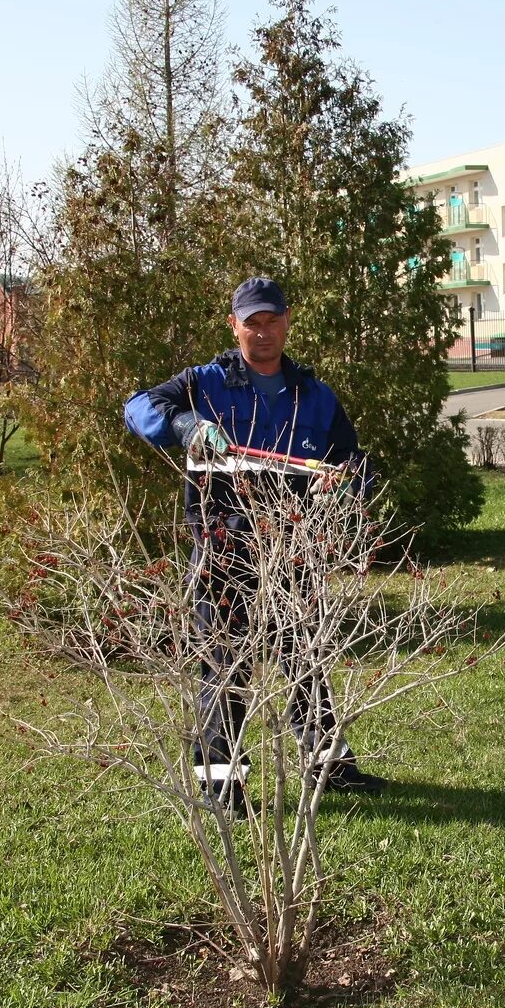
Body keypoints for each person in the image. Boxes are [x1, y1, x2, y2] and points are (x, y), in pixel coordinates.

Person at [122, 276, 386, 808]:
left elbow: (356, 463)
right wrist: (184, 423)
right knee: (225, 666)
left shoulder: (315, 396)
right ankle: (221, 786)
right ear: (234, 325)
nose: (262, 332)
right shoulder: (204, 382)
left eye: (272, 320)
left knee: (304, 657)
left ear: (287, 321)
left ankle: (328, 764)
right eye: (252, 322)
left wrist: (347, 479)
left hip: (294, 546)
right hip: (223, 548)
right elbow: (137, 408)